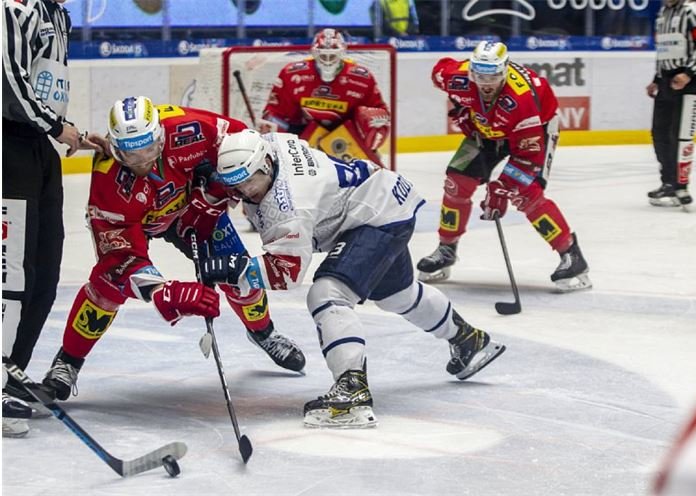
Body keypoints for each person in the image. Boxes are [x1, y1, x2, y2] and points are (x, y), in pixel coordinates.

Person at [200, 129, 507, 428]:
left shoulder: (290, 206)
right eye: (234, 185)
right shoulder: (269, 145)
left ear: (265, 165)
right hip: (383, 198)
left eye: (247, 183)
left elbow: (287, 273)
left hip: (376, 216)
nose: (242, 193)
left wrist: (234, 267)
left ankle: (352, 390)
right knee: (397, 295)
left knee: (326, 293)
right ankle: (469, 340)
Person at [38, 96, 307, 403]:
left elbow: (242, 144)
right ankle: (68, 362)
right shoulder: (106, 180)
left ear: (160, 136)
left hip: (195, 209)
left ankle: (263, 332)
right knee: (106, 287)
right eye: (131, 153)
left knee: (238, 269)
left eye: (148, 149)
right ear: (115, 147)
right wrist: (163, 291)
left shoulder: (187, 127)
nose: (142, 161)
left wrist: (213, 189)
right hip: (137, 226)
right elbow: (120, 259)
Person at [2, 0, 105, 438]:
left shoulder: (57, 13)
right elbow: (7, 80)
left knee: (44, 269)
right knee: (13, 271)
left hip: (38, 145)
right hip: (9, 144)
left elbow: (43, 85)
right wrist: (59, 127)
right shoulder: (12, 6)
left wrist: (72, 134)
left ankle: (13, 373)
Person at [416, 41, 591, 292]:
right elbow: (440, 68)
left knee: (525, 192)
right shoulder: (458, 79)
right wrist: (462, 106)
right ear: (471, 72)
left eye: (494, 76)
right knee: (457, 181)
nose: (486, 83)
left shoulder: (521, 101)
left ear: (505, 72)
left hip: (534, 133)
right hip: (485, 131)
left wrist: (501, 189)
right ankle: (446, 248)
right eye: (480, 76)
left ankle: (572, 255)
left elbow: (527, 156)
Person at [258, 28, 391, 168]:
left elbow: (380, 115)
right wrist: (280, 144)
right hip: (303, 142)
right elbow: (275, 114)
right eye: (323, 55)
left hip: (347, 145)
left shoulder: (362, 79)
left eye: (332, 56)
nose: (327, 60)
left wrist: (372, 129)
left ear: (342, 53)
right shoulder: (292, 74)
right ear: (314, 53)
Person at [646, 0, 696, 208]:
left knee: (681, 135)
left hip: (690, 81)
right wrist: (657, 79)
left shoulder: (693, 10)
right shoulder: (663, 13)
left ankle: (681, 185)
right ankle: (668, 181)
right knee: (660, 133)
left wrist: (689, 73)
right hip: (667, 80)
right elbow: (664, 50)